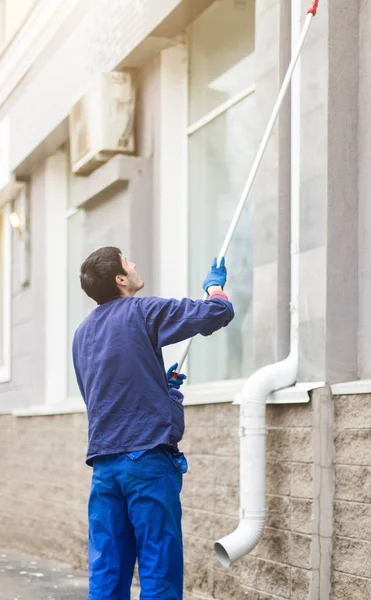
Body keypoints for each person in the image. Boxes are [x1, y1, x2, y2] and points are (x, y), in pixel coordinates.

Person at [72, 246, 234, 600]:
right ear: (120, 279)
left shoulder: (82, 334)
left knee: (107, 569)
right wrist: (215, 289)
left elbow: (102, 395)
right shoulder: (142, 310)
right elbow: (216, 314)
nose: (133, 264)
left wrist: (160, 386)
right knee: (158, 565)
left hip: (104, 467)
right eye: (128, 262)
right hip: (146, 463)